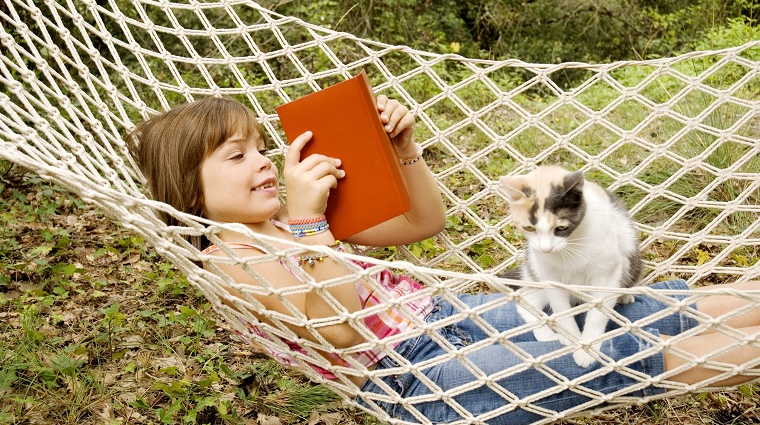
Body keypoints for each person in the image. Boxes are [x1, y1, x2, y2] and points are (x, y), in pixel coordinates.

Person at [127, 96, 760, 424]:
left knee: (639, 306)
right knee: (623, 353)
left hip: (449, 321)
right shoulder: (230, 259)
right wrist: (307, 223)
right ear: (187, 192)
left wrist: (403, 152)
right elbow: (342, 329)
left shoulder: (288, 221)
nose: (265, 162)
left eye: (261, 148)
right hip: (421, 381)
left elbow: (425, 223)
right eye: (235, 157)